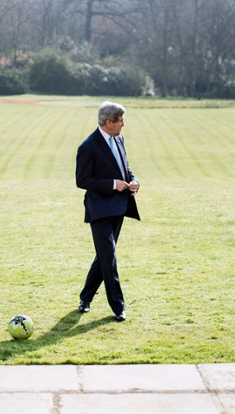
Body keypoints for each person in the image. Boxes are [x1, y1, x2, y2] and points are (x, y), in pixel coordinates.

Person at [75, 101, 140, 322]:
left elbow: (125, 167)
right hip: (100, 209)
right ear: (108, 122)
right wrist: (113, 184)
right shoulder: (88, 146)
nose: (123, 125)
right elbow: (82, 180)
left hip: (120, 206)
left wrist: (133, 181)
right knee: (109, 257)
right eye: (120, 121)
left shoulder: (119, 139)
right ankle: (118, 306)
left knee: (104, 257)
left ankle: (85, 298)